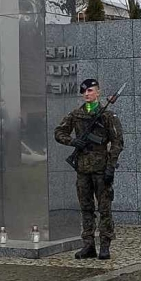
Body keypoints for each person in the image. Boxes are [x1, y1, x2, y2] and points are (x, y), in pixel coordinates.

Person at [54, 78, 123, 260]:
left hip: (101, 169)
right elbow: (59, 132)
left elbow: (117, 142)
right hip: (83, 169)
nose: (87, 94)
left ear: (98, 92)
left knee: (104, 208)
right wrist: (73, 141)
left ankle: (105, 245)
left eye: (90, 90)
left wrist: (111, 166)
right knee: (86, 208)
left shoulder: (107, 115)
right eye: (84, 91)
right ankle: (88, 244)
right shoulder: (76, 115)